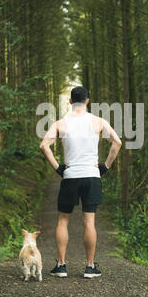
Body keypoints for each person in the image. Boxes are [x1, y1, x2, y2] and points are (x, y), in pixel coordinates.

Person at [40, 86, 122, 278]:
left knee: (62, 220)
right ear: (87, 101)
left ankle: (61, 266)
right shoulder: (98, 122)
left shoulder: (61, 123)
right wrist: (105, 167)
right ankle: (90, 267)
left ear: (70, 102)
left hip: (70, 176)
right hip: (92, 176)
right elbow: (117, 143)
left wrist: (58, 168)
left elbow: (44, 145)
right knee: (89, 221)